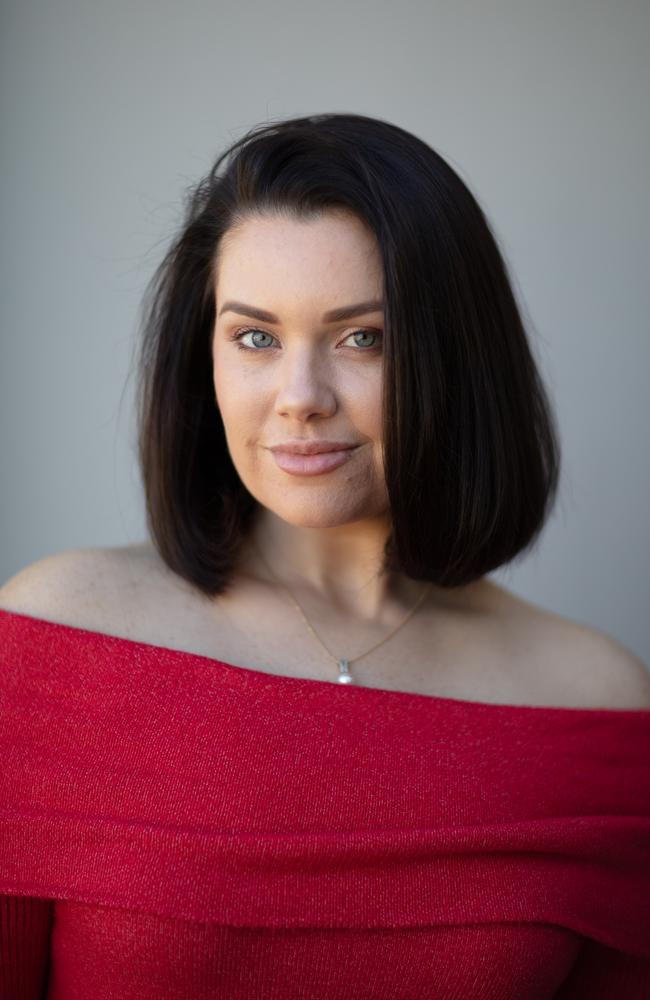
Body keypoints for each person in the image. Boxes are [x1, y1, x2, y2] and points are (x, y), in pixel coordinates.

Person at [0, 112, 648, 998]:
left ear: (455, 359)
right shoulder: (52, 640)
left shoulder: (598, 704)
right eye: (256, 337)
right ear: (206, 359)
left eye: (362, 338)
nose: (299, 398)